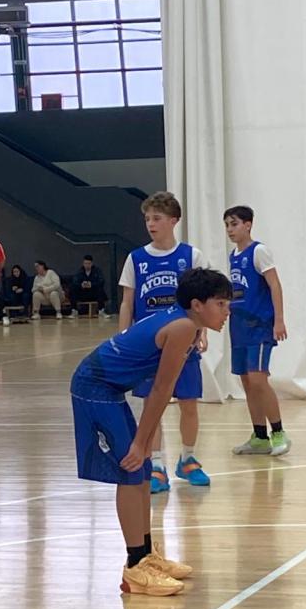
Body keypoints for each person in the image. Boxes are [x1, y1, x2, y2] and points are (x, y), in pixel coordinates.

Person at [72, 268, 232, 595]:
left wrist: (143, 443)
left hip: (107, 387)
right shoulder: (183, 327)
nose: (226, 311)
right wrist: (140, 442)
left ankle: (145, 556)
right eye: (220, 304)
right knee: (131, 470)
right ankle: (134, 569)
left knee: (142, 470)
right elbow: (161, 390)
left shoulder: (186, 324)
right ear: (197, 305)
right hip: (94, 387)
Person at [119, 191, 211, 492]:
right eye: (147, 219)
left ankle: (188, 459)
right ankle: (156, 465)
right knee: (152, 406)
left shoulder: (191, 256)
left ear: (174, 220)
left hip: (183, 344)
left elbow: (203, 301)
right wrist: (123, 339)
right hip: (148, 347)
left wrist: (202, 331)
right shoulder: (136, 258)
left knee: (189, 404)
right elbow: (127, 303)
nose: (150, 224)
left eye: (157, 218)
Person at [224, 205, 291, 456]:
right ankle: (260, 437)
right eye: (227, 225)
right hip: (239, 327)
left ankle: (279, 432)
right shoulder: (233, 256)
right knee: (247, 382)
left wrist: (279, 320)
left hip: (259, 326)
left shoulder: (258, 251)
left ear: (248, 225)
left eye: (234, 224)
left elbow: (275, 285)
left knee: (258, 379)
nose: (230, 229)